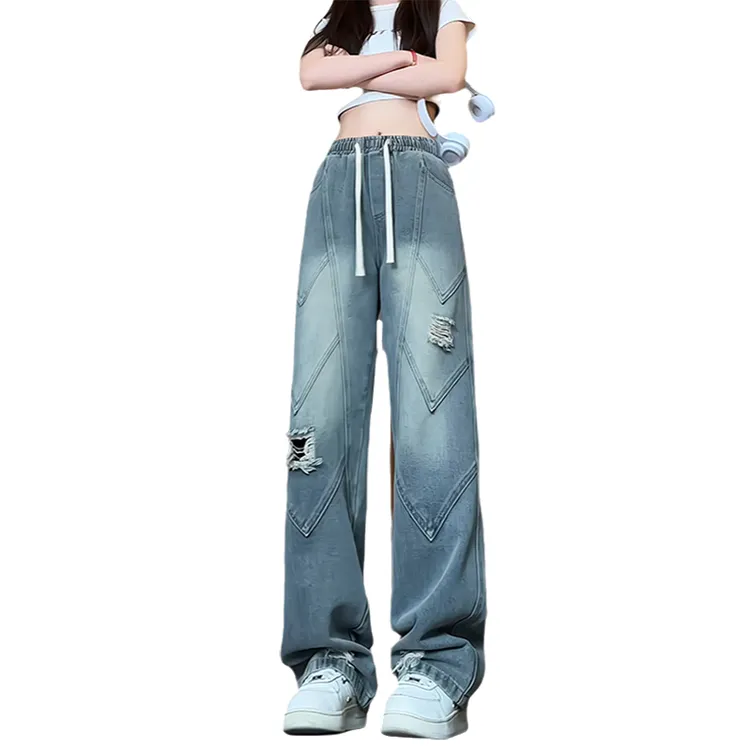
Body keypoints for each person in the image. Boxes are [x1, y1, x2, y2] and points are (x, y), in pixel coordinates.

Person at [281, 0, 486, 739]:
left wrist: (361, 71)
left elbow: (451, 74)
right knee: (318, 419)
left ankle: (438, 662)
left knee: (433, 417)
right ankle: (328, 661)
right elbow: (310, 75)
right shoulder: (340, 14)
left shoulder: (442, 6)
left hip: (418, 182)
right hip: (339, 182)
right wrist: (401, 63)